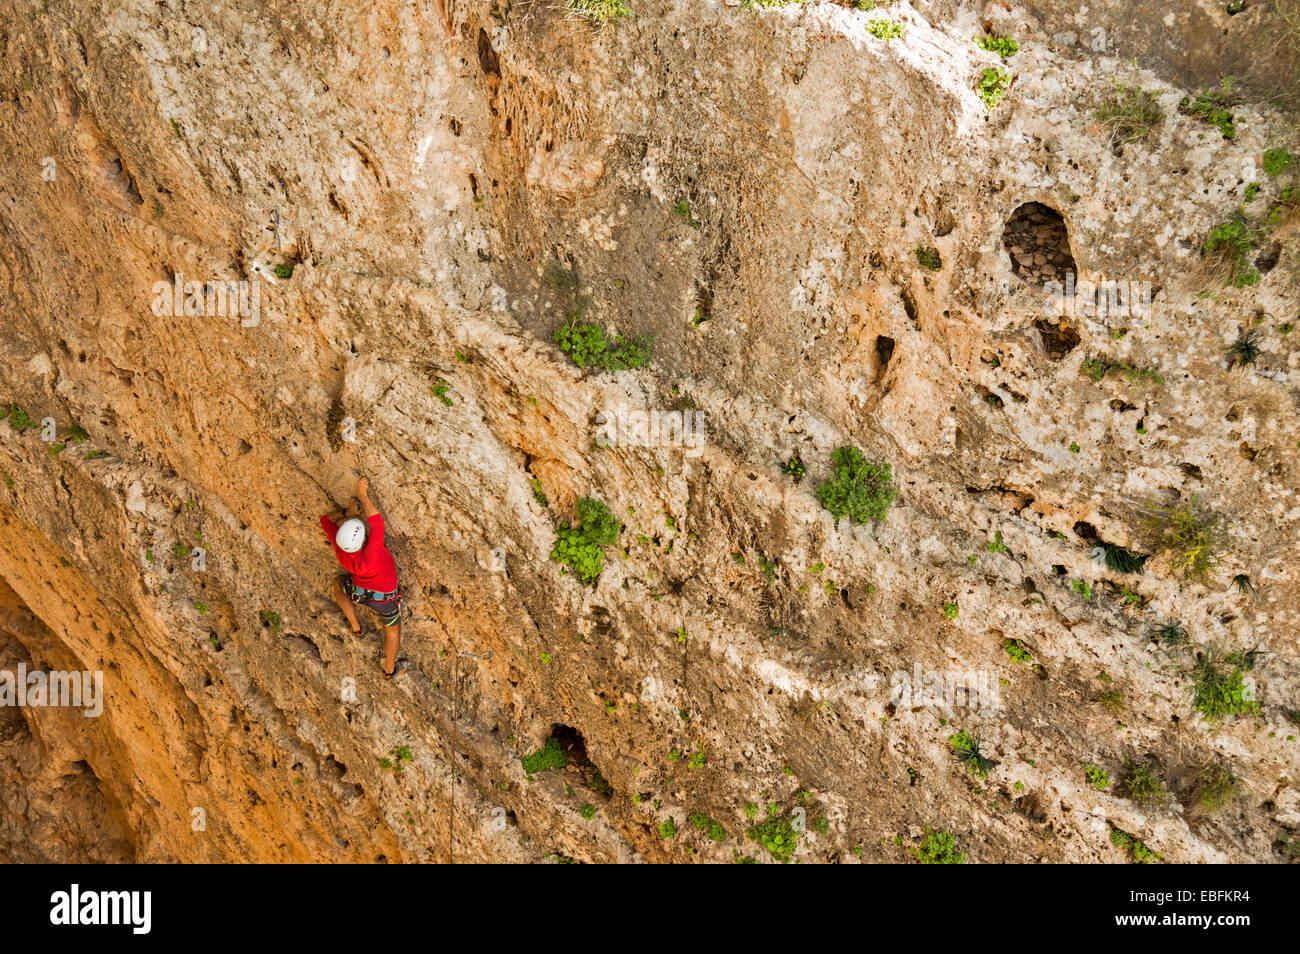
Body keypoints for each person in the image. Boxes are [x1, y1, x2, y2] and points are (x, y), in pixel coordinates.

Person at [321, 476, 406, 679]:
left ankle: (356, 627)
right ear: (364, 539)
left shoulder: (340, 549)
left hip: (359, 593)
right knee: (392, 633)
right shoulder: (373, 553)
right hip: (383, 601)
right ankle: (389, 670)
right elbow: (376, 522)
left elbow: (325, 520)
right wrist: (363, 495)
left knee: (338, 583)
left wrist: (347, 513)